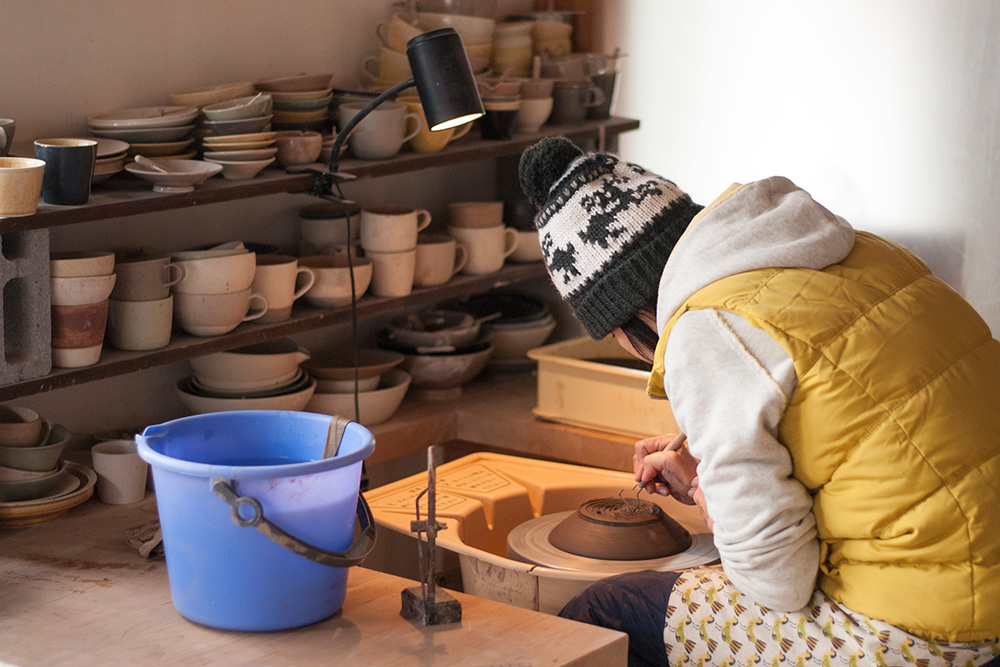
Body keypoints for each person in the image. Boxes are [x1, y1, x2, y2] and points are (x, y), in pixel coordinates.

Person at [517, 136, 1000, 667]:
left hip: (930, 633)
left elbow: (779, 583)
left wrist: (708, 490)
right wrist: (715, 470)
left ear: (631, 316)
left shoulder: (708, 328)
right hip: (978, 573)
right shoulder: (856, 251)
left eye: (614, 337)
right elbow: (867, 440)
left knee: (607, 611)